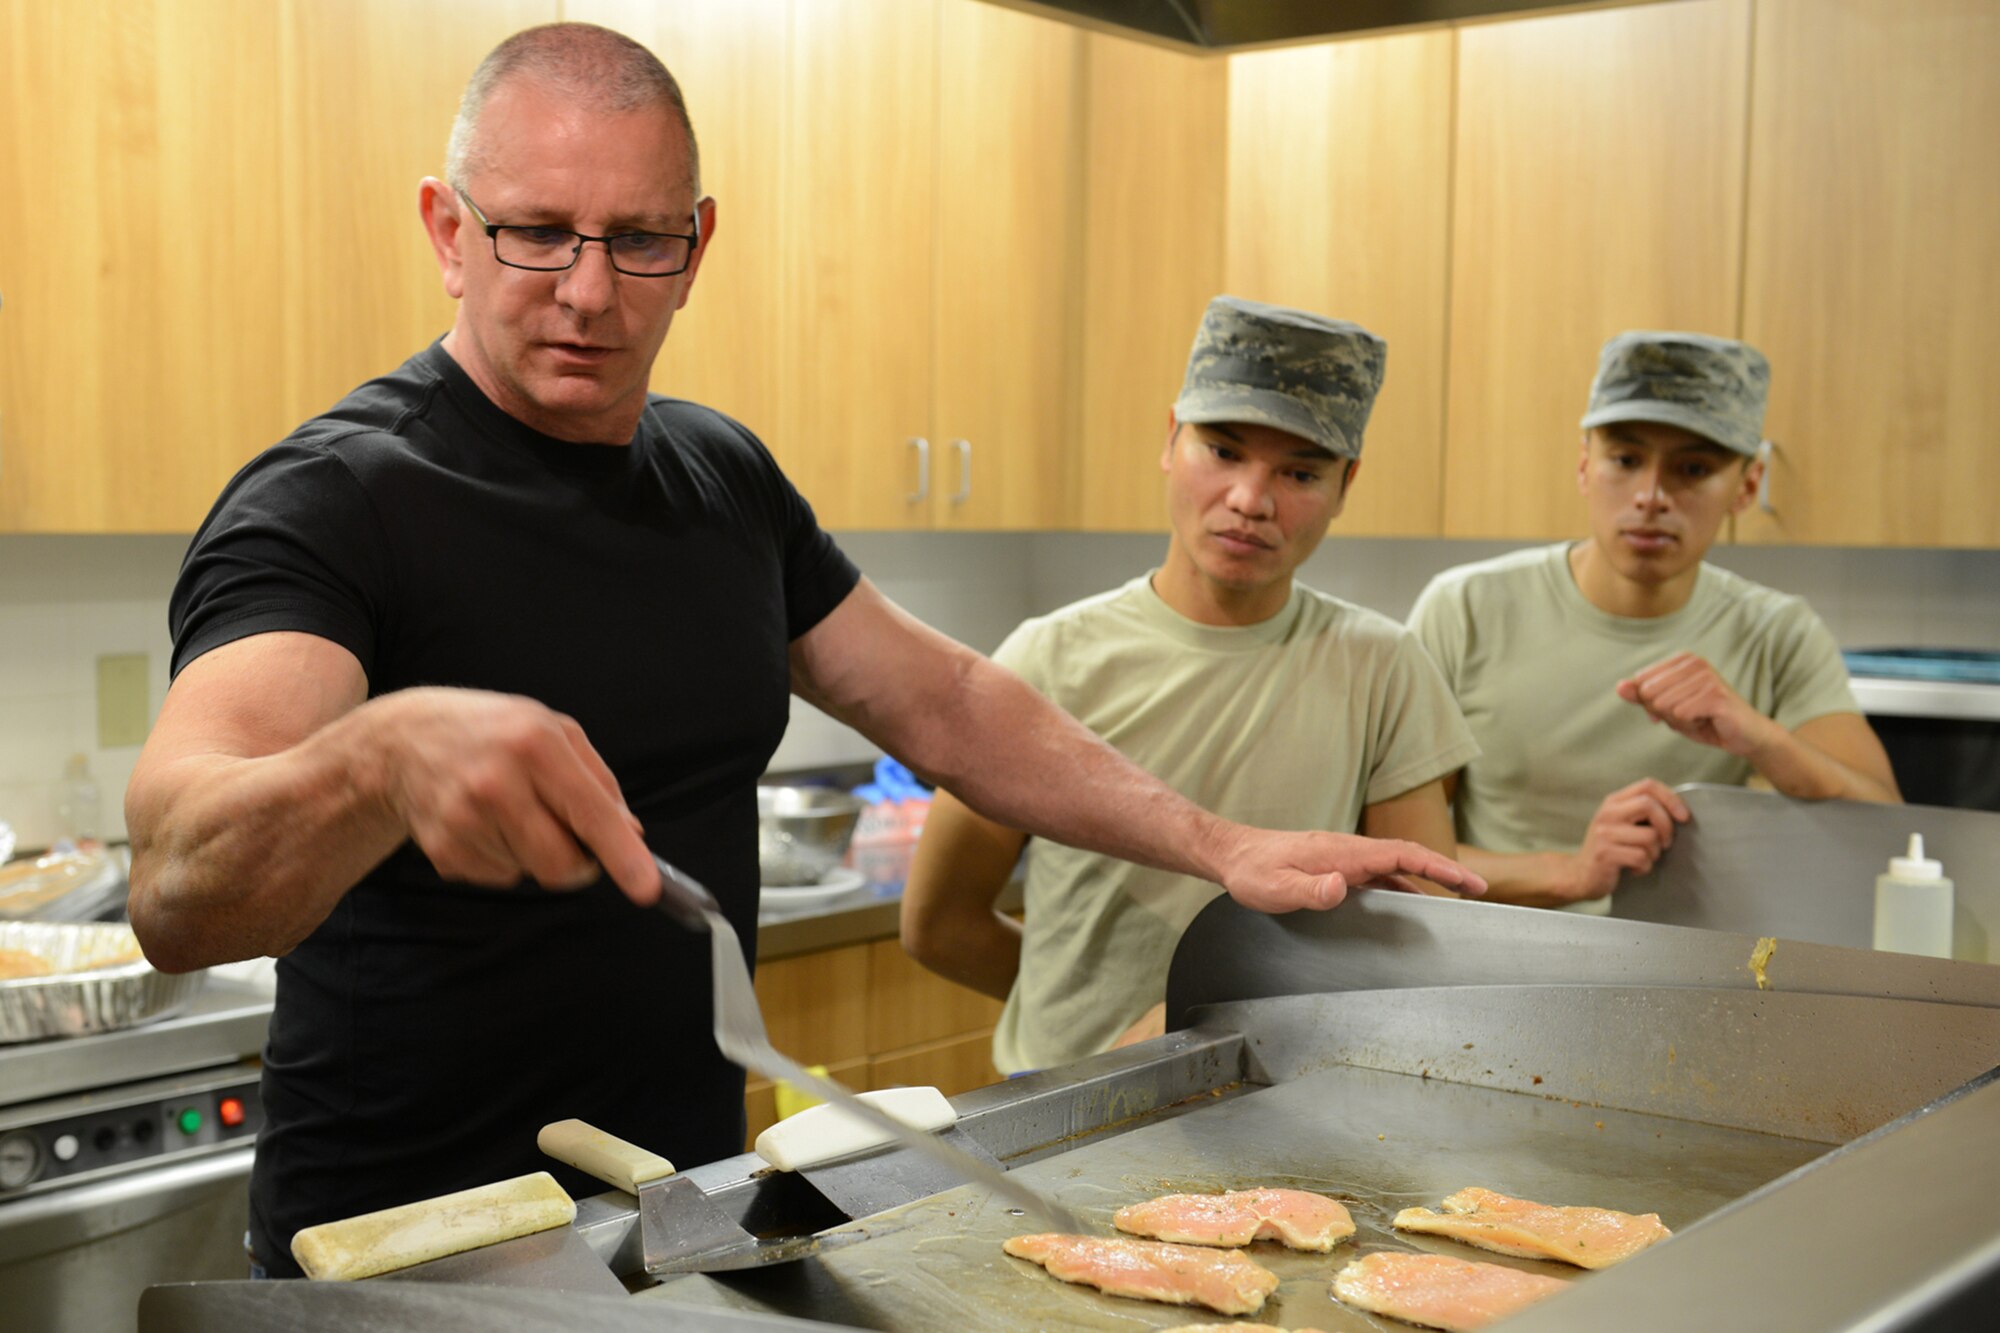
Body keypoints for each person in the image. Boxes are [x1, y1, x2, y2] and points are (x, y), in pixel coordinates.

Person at [122, 26, 1483, 1278]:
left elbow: (943, 699)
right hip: (405, 1250)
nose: (589, 292)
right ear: (446, 228)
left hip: (680, 1224)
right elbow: (179, 887)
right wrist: (373, 760)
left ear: (698, 245)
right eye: (536, 233)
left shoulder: (720, 477)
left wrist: (1221, 844)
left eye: (639, 241)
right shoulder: (338, 500)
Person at [901, 297, 1481, 1075]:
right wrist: (1084, 1045)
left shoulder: (1383, 667)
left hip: (1279, 1099)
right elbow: (939, 921)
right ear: (1172, 439)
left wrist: (1201, 1028)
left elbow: (1412, 927)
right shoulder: (1050, 659)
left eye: (1300, 471)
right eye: (1224, 450)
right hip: (1057, 1115)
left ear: (1346, 484)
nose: (1250, 499)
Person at [1407, 330, 1899, 913]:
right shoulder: (1465, 609)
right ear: (1585, 465)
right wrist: (1569, 874)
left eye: (1692, 468)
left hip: (1695, 973)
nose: (1651, 495)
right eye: (1625, 459)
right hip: (1495, 962)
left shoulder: (1778, 633)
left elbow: (1888, 835)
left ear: (1746, 487)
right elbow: (1397, 851)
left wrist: (1762, 739)